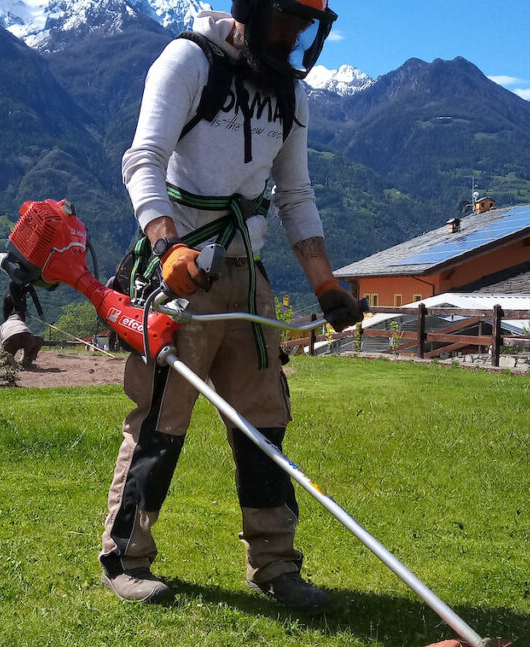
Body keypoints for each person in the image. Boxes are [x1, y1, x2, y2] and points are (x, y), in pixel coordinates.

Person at [100, 0, 363, 612]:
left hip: (249, 279)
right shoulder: (189, 61)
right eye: (289, 21)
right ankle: (126, 557)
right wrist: (165, 245)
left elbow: (295, 195)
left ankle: (275, 563)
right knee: (160, 419)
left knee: (265, 422)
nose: (297, 35)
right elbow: (143, 159)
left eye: (308, 26)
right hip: (181, 273)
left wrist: (325, 284)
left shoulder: (292, 96)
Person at [0, 282, 44, 368]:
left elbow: (35, 299)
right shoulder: (12, 286)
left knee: (6, 359)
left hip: (10, 338)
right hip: (12, 309)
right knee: (29, 338)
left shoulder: (28, 285)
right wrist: (24, 310)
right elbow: (16, 301)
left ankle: (11, 359)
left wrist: (41, 314)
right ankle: (26, 361)